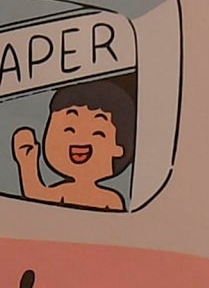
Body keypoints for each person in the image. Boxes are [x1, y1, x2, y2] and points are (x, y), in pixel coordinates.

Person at [11, 77, 136, 210]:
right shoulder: (63, 192)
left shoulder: (111, 199)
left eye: (97, 133)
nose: (80, 137)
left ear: (118, 149)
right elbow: (35, 194)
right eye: (68, 130)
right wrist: (27, 163)